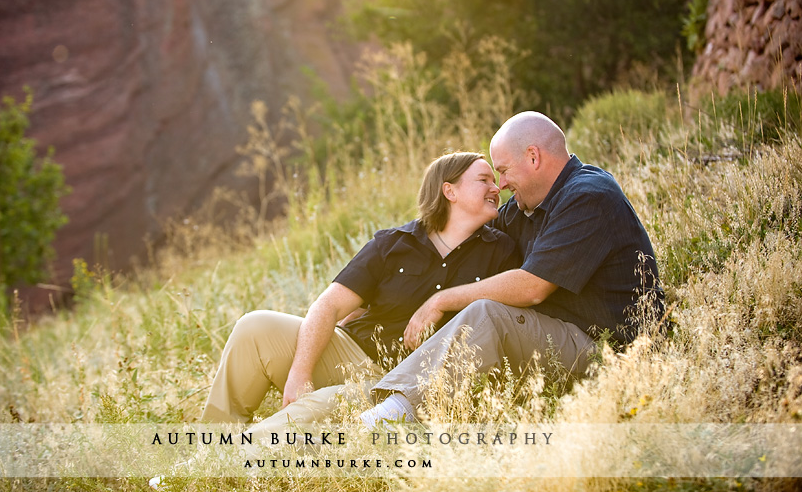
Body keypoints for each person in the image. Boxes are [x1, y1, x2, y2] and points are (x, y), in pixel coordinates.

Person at [362, 111, 663, 426]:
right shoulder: (525, 209)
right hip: (555, 340)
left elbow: (532, 287)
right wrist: (376, 290)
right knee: (482, 312)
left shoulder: (589, 195)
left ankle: (385, 422)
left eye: (503, 171)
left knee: (487, 315)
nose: (501, 185)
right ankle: (389, 404)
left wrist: (440, 300)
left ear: (533, 157)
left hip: (610, 353)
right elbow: (465, 236)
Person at [200, 151, 521, 435]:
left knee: (323, 404)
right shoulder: (393, 244)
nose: (497, 188)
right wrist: (301, 372)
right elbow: (329, 306)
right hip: (350, 351)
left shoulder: (502, 252)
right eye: (484, 180)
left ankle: (221, 464)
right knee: (254, 327)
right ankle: (211, 444)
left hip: (400, 381)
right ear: (449, 190)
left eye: (495, 181)